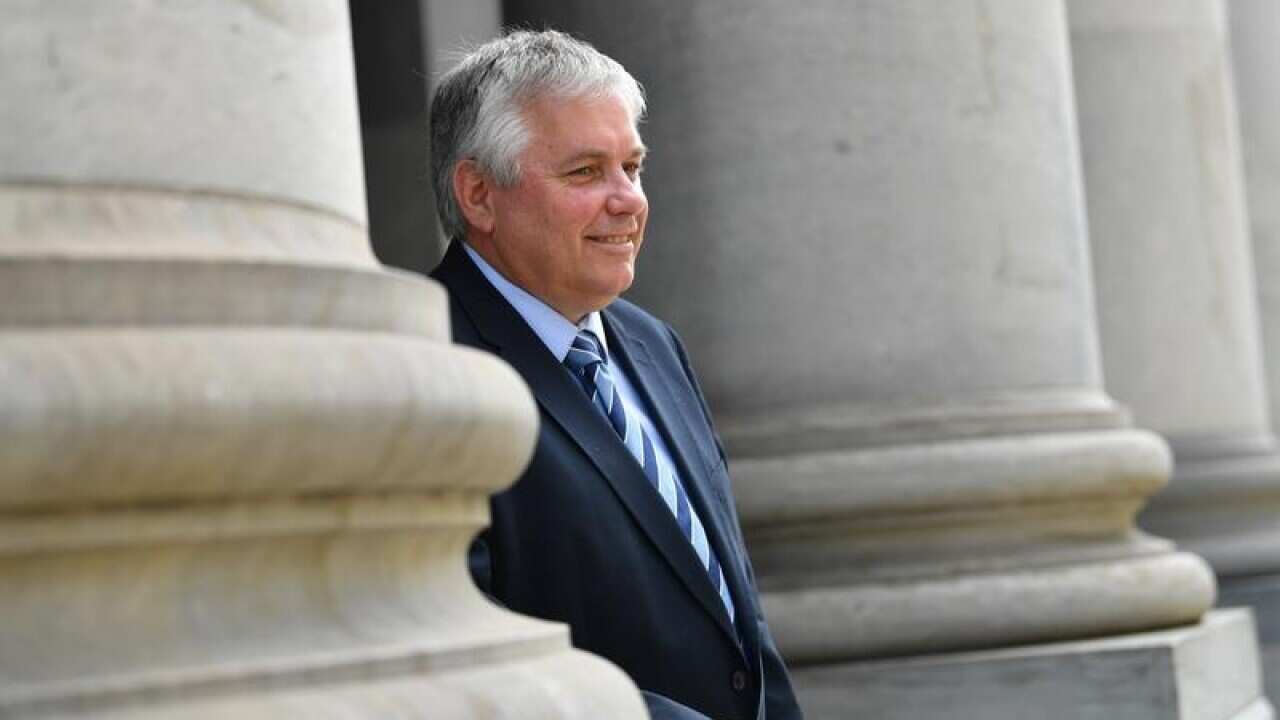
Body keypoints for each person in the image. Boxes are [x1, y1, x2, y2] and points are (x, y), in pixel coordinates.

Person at [428, 30, 802, 720]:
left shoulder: (653, 344)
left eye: (632, 167)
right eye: (585, 172)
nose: (627, 199)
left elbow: (736, 619)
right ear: (479, 194)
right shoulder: (424, 366)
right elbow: (460, 651)